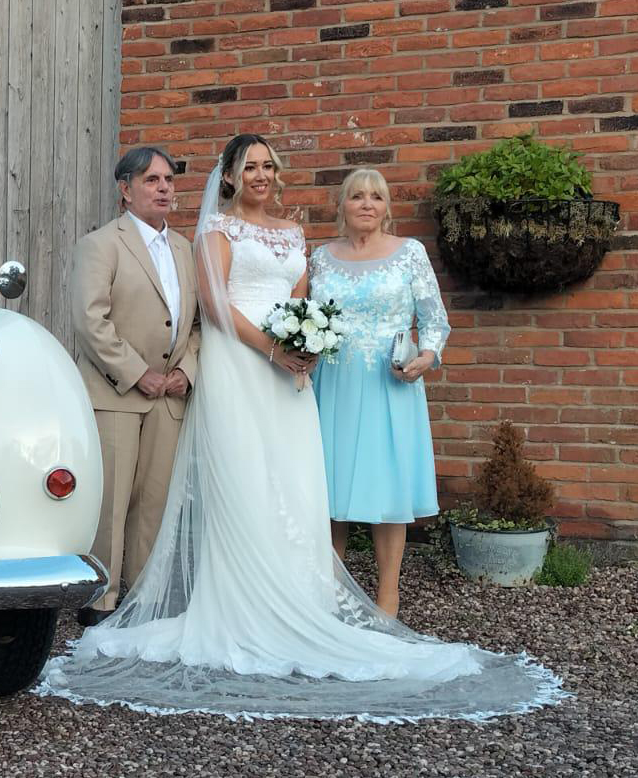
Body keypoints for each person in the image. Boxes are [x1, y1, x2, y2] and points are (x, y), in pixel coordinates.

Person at [37, 135, 566, 721]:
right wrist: (272, 349)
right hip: (240, 366)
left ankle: (302, 600)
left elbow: (300, 300)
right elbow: (213, 304)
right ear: (231, 176)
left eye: (268, 166)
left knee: (295, 482)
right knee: (245, 483)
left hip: (289, 378)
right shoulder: (216, 230)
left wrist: (305, 344)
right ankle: (239, 606)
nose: (260, 174)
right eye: (249, 166)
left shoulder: (292, 235)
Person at [70, 146, 201, 627]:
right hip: (118, 394)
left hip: (169, 397)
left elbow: (199, 325)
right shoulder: (101, 244)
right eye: (152, 180)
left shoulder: (187, 249)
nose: (164, 188)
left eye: (169, 179)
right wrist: (135, 372)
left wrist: (186, 371)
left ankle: (144, 597)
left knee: (155, 501)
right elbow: (90, 320)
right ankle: (100, 601)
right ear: (125, 190)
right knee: (112, 501)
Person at [310, 168, 448, 620]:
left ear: (387, 207)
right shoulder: (320, 258)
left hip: (392, 385)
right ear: (342, 206)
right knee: (329, 490)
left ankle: (388, 596)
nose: (367, 203)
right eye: (357, 196)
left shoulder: (410, 254)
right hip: (332, 384)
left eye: (376, 197)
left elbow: (433, 320)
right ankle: (331, 592)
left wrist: (427, 357)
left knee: (388, 489)